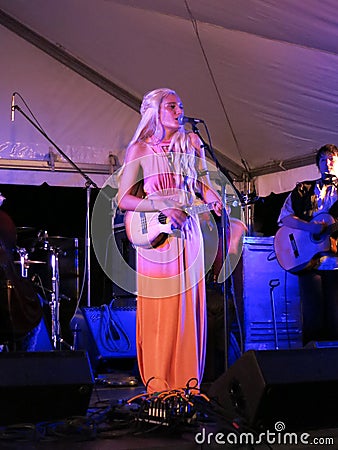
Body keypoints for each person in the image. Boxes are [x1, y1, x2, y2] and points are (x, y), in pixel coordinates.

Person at [118, 88, 222, 393]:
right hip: (156, 237)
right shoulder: (138, 150)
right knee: (162, 308)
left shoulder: (192, 143)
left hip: (187, 235)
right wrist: (161, 206)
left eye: (181, 105)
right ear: (156, 112)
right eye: (172, 106)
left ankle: (186, 386)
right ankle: (159, 386)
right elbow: (124, 199)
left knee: (188, 309)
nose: (179, 110)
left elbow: (204, 185)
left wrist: (214, 199)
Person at [278, 144, 338, 345]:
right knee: (312, 317)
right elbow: (285, 219)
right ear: (318, 165)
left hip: (336, 263)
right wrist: (310, 228)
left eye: (332, 159)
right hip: (309, 262)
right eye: (323, 159)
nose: (327, 163)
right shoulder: (303, 190)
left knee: (335, 317)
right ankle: (312, 366)